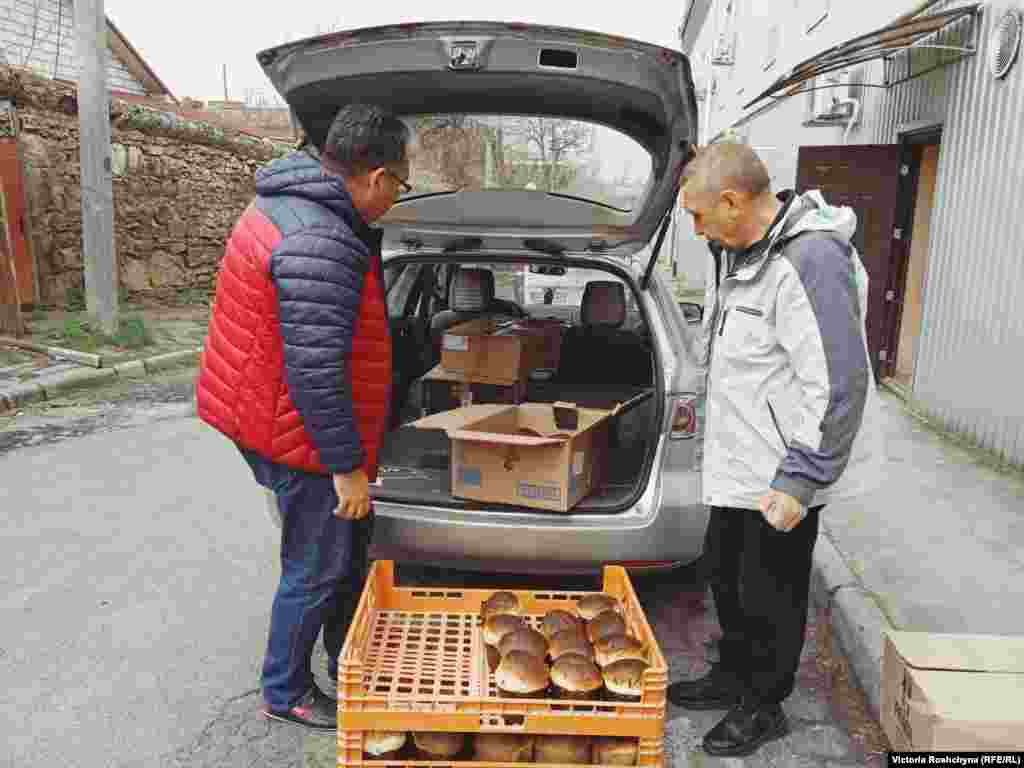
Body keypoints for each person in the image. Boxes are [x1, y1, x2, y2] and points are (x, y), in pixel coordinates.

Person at [195, 103, 411, 731]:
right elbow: (315, 374)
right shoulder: (323, 241)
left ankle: (343, 653)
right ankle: (285, 688)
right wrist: (345, 466)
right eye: (400, 184)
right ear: (374, 176)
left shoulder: (282, 201)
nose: (397, 197)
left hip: (258, 410)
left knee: (325, 551)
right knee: (314, 564)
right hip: (294, 428)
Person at [672, 142, 884, 757]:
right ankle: (734, 676)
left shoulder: (810, 259)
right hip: (740, 466)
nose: (695, 227)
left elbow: (838, 380)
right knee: (727, 579)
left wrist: (802, 478)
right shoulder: (743, 253)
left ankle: (763, 704)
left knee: (771, 595)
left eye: (697, 214)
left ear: (733, 202)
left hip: (781, 470)